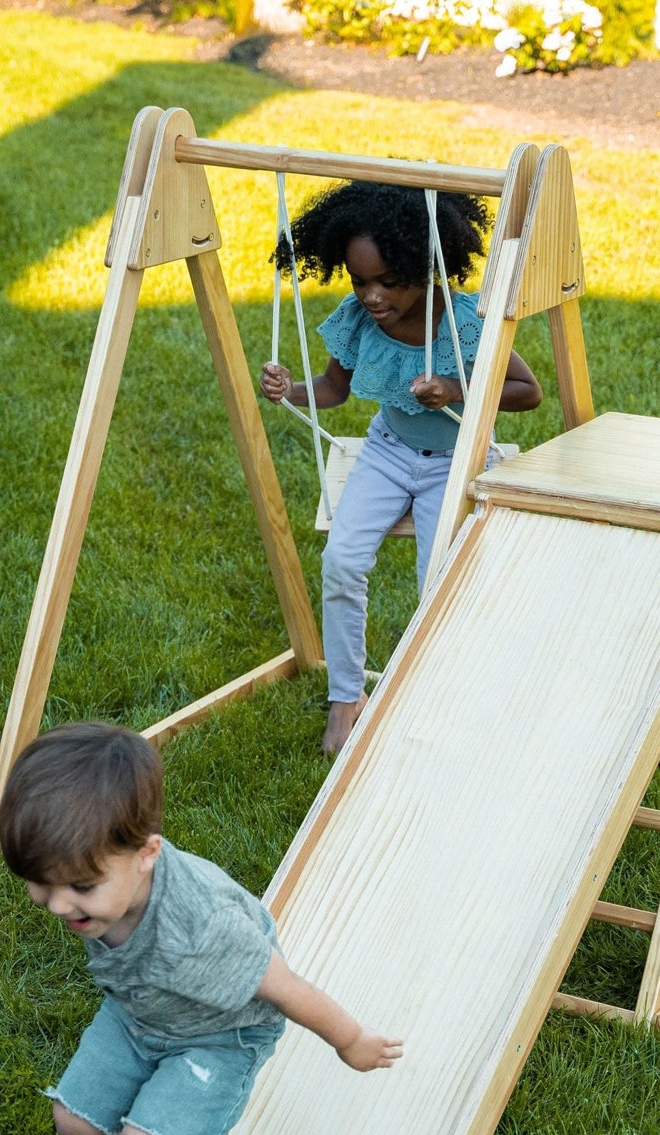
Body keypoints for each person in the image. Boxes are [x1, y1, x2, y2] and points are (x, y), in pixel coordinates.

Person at [0, 721, 403, 1135]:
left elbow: (285, 987)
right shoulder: (101, 887)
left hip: (220, 1034)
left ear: (146, 853)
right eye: (40, 882)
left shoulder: (203, 927)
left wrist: (351, 1040)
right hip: (139, 1012)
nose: (57, 905)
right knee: (75, 1120)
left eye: (80, 888)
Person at [259, 181, 542, 755]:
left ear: (424, 266)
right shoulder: (359, 320)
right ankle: (346, 697)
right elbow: (334, 389)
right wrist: (291, 389)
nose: (372, 295)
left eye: (389, 281)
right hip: (387, 452)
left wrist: (455, 388)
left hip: (455, 462)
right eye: (359, 280)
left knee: (436, 581)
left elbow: (527, 391)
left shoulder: (465, 320)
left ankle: (440, 691)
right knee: (341, 561)